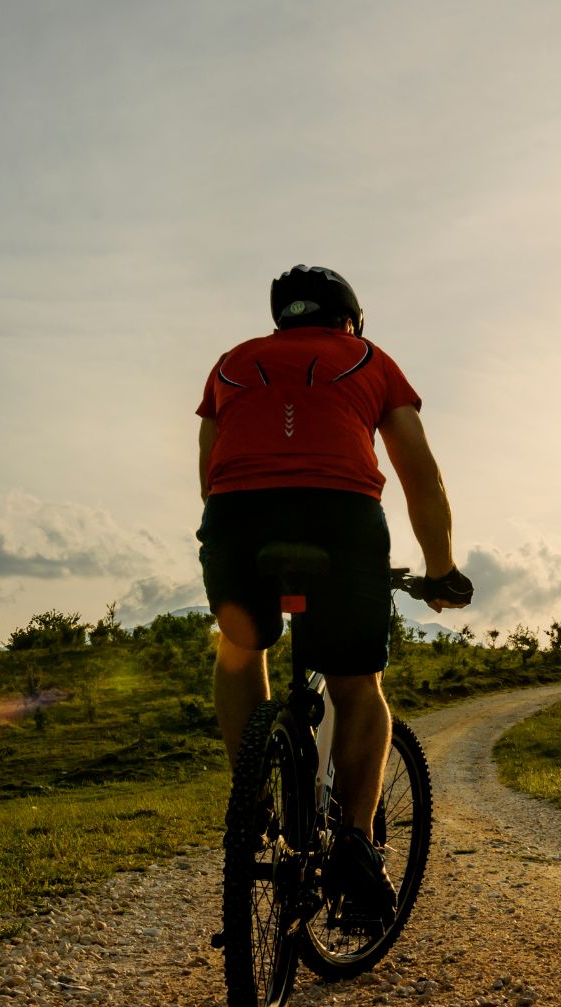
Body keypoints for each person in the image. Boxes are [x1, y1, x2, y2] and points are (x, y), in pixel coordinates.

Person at [196, 264, 473, 915]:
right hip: (340, 514)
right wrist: (440, 566)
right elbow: (420, 475)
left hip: (239, 519)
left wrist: (236, 535)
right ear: (350, 318)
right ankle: (355, 842)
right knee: (355, 684)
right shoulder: (369, 359)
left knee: (240, 646)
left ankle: (251, 798)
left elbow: (211, 469)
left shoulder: (232, 364)